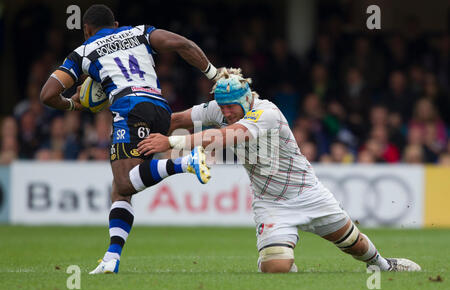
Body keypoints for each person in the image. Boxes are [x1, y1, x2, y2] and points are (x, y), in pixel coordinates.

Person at [138, 68, 421, 273]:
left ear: (246, 99)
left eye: (231, 107)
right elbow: (178, 117)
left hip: (308, 192)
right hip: (270, 202)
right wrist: (140, 125)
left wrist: (173, 141)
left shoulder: (266, 112)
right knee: (276, 268)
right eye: (222, 108)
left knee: (353, 244)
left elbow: (228, 136)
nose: (225, 113)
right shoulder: (221, 109)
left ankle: (384, 265)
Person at [40, 4, 216, 274]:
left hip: (129, 108)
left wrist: (74, 106)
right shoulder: (139, 32)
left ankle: (184, 163)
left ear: (86, 30)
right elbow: (184, 44)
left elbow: (48, 94)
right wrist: (213, 75)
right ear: (116, 23)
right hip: (160, 107)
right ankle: (112, 256)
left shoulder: (83, 51)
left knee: (125, 180)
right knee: (120, 189)